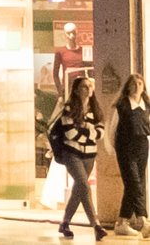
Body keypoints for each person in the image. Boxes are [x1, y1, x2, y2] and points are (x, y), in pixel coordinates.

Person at [51, 71, 108, 240]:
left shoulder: (95, 109)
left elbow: (101, 132)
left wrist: (85, 131)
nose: (88, 89)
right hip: (72, 154)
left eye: (90, 86)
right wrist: (90, 132)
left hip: (90, 155)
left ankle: (65, 223)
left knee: (78, 189)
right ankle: (96, 226)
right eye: (84, 86)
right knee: (84, 186)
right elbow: (70, 134)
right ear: (76, 90)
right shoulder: (69, 109)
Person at [113, 74, 148, 238]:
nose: (137, 86)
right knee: (134, 183)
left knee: (135, 183)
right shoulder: (122, 105)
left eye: (140, 83)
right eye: (133, 83)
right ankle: (144, 221)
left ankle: (122, 222)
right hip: (125, 147)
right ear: (128, 86)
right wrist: (112, 149)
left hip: (142, 146)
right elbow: (112, 129)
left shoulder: (146, 105)